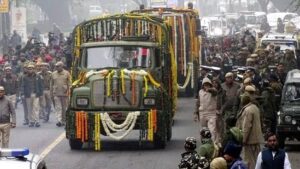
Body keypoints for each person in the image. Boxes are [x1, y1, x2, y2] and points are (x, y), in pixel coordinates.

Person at [236, 94, 263, 169]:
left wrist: (244, 139)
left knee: (249, 161)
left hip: (250, 139)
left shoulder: (247, 110)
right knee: (257, 160)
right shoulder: (255, 107)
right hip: (256, 138)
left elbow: (246, 126)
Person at [196, 77, 218, 142]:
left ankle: (213, 144)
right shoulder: (200, 92)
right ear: (203, 85)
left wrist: (209, 90)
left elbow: (215, 92)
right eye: (205, 85)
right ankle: (204, 143)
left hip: (211, 113)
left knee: (212, 130)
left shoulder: (213, 91)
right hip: (202, 113)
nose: (206, 86)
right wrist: (195, 113)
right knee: (204, 130)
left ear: (210, 84)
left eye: (208, 84)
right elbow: (198, 103)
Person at [51, 61, 71, 127]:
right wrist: (51, 93)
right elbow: (51, 84)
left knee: (64, 108)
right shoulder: (53, 74)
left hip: (64, 93)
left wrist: (69, 91)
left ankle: (64, 120)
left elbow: (70, 83)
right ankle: (59, 120)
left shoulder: (66, 73)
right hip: (56, 93)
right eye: (56, 66)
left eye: (58, 66)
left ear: (61, 66)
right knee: (58, 107)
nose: (57, 67)